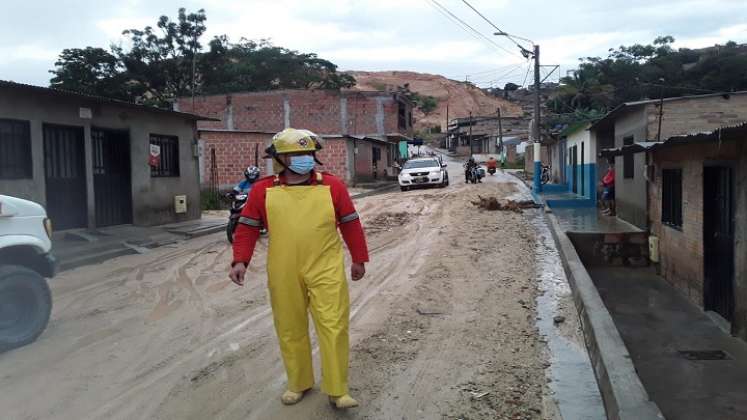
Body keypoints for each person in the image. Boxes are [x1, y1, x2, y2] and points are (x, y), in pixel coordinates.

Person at [229, 128, 369, 409]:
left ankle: (337, 390)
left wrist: (358, 258)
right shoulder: (262, 190)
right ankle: (299, 382)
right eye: (295, 154)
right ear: (279, 159)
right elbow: (247, 228)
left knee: (333, 325)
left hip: (325, 267)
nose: (303, 159)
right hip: (283, 269)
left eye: (307, 153)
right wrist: (240, 260)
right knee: (290, 327)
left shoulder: (333, 186)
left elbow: (351, 222)